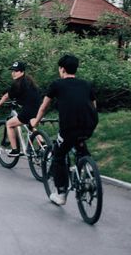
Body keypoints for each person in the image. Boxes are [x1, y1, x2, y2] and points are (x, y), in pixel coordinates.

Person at [31, 54, 98, 206]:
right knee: (80, 145)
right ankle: (88, 169)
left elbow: (44, 106)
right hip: (89, 125)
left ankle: (61, 194)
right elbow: (94, 106)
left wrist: (36, 120)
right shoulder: (86, 84)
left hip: (69, 128)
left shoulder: (57, 84)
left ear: (62, 69)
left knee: (58, 155)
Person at [0, 61, 41, 156]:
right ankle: (43, 144)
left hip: (28, 110)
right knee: (30, 125)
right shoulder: (30, 81)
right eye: (12, 71)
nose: (13, 73)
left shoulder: (17, 84)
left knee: (9, 124)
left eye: (16, 71)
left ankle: (15, 150)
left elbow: (7, 95)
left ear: (22, 72)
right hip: (39, 109)